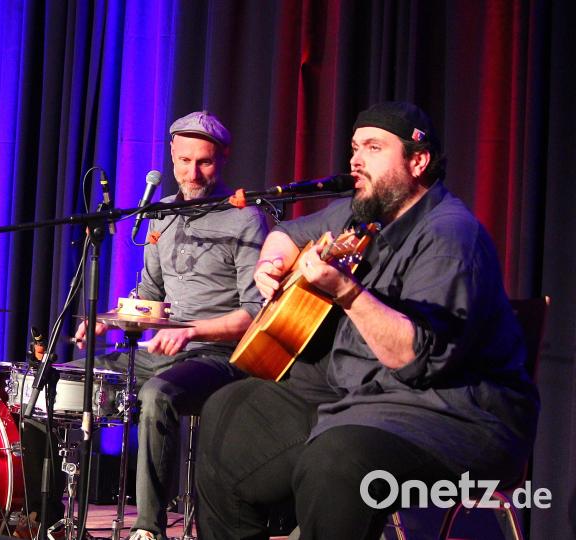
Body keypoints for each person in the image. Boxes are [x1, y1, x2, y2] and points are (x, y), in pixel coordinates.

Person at [194, 102, 540, 540]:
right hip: (358, 397)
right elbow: (285, 234)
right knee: (231, 412)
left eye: (373, 148)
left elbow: (411, 357)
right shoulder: (360, 212)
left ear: (418, 161)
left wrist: (346, 291)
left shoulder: (450, 236)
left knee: (338, 459)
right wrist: (271, 264)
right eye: (355, 148)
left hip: (452, 415)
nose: (356, 160)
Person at [22, 111, 270, 540]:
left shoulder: (246, 218)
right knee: (52, 384)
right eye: (185, 161)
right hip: (161, 352)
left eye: (205, 162)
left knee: (157, 395)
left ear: (223, 158)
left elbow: (256, 312)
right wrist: (108, 320)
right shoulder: (161, 214)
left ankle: (147, 529)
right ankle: (43, 518)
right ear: (171, 155)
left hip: (219, 356)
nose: (193, 173)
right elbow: (150, 293)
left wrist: (192, 331)